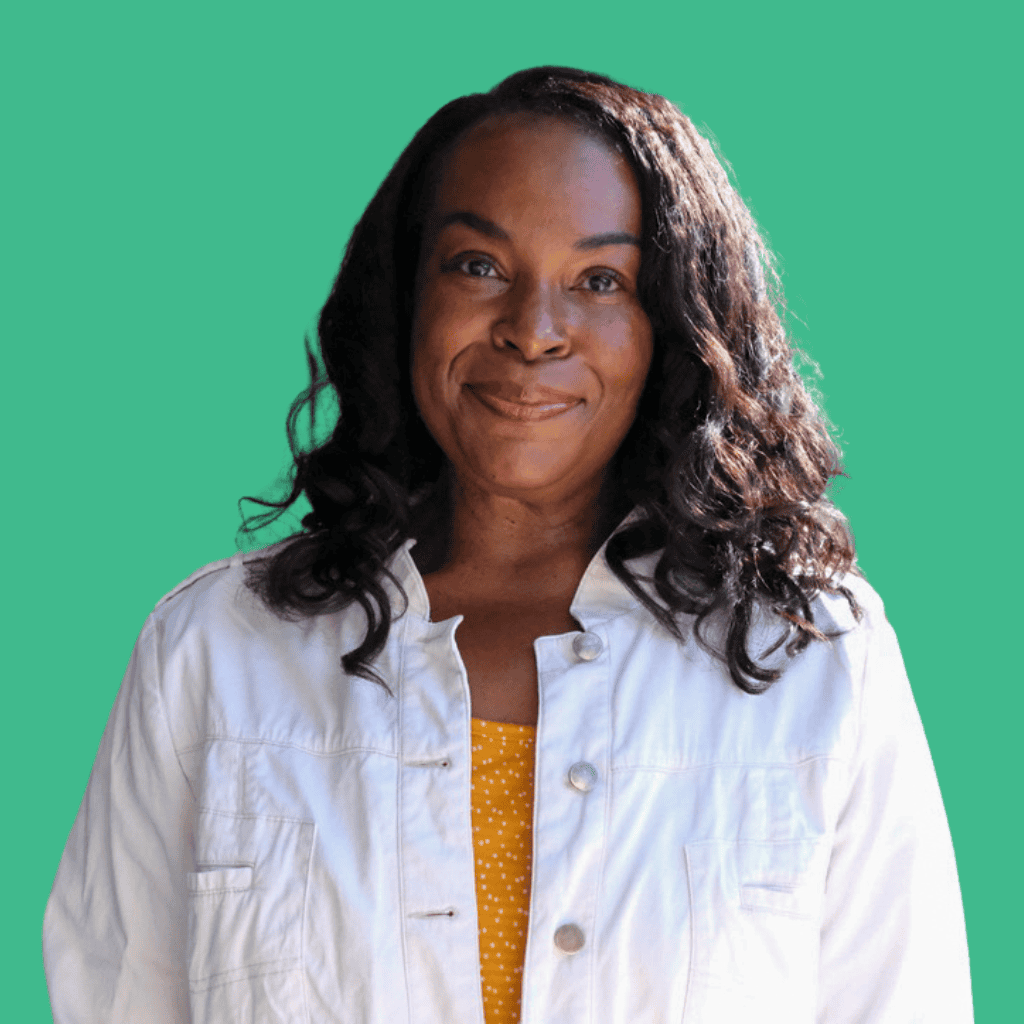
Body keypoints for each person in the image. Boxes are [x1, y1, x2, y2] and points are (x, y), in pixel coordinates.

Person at [43, 67, 973, 1023]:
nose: (534, 331)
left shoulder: (811, 657)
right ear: (408, 293)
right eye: (478, 266)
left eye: (600, 280)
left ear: (675, 327)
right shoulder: (211, 655)